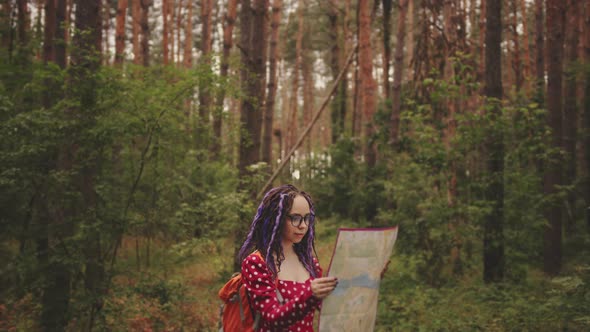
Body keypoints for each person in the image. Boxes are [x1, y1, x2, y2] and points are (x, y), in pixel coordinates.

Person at [238, 184, 338, 332]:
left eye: (307, 218)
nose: (303, 226)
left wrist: (365, 281)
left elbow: (329, 309)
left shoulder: (310, 262)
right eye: (295, 218)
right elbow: (272, 319)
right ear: (275, 219)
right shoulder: (257, 263)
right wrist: (310, 294)